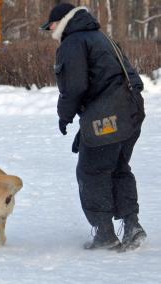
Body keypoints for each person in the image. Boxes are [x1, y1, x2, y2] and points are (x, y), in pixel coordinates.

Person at [40, 3, 146, 250]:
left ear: (61, 22)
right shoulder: (100, 36)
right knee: (118, 167)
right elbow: (127, 78)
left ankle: (105, 235)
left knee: (92, 171)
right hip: (130, 110)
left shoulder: (73, 42)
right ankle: (132, 225)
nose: (50, 31)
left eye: (50, 26)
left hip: (107, 114)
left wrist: (64, 116)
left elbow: (74, 87)